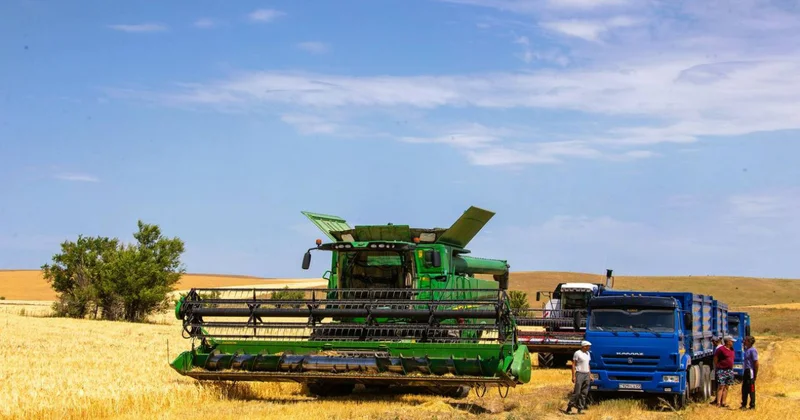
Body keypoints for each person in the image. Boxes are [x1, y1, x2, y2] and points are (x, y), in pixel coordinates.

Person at [565, 340, 592, 415]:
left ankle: (580, 408)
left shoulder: (588, 353)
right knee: (577, 392)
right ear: (584, 346)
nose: (589, 347)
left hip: (586, 374)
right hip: (579, 374)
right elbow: (573, 364)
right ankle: (570, 406)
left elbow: (588, 364)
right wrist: (573, 376)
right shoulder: (577, 353)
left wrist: (590, 375)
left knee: (584, 393)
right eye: (588, 346)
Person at [714, 336, 736, 408]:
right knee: (721, 386)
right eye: (732, 341)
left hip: (729, 370)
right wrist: (718, 367)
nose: (733, 343)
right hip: (722, 370)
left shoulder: (732, 349)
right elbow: (716, 359)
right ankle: (718, 403)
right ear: (728, 341)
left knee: (726, 386)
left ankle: (724, 402)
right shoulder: (721, 349)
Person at [741, 336, 759, 410]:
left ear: (749, 342)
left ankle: (752, 405)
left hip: (750, 371)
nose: (744, 342)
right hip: (746, 370)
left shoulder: (753, 350)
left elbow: (756, 362)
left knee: (751, 388)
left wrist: (755, 373)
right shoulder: (746, 350)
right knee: (744, 388)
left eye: (745, 341)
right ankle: (744, 404)